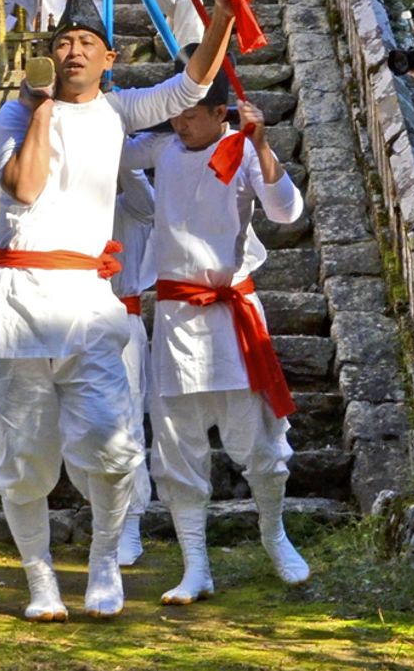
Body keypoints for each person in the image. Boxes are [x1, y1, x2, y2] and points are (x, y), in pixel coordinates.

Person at [0, 0, 250, 622]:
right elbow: (25, 187)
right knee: (19, 457)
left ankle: (104, 556)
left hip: (86, 303)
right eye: (63, 40)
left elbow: (193, 84)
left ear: (109, 56)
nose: (72, 49)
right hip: (17, 303)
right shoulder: (17, 112)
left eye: (84, 40)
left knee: (114, 443)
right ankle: (41, 579)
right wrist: (41, 106)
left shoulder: (118, 111)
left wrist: (222, 12)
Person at [127, 57, 309, 603]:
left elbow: (286, 211)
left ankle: (274, 534)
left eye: (189, 114)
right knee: (178, 444)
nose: (178, 124)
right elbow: (109, 148)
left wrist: (264, 144)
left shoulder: (241, 147)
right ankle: (195, 565)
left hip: (231, 317)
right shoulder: (160, 150)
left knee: (257, 440)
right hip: (178, 316)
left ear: (218, 111)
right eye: (173, 114)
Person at [112, 143, 155, 567]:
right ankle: (105, 518)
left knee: (127, 423)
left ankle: (130, 523)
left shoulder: (135, 205)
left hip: (122, 324)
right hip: (73, 322)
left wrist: (114, 128)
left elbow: (133, 174)